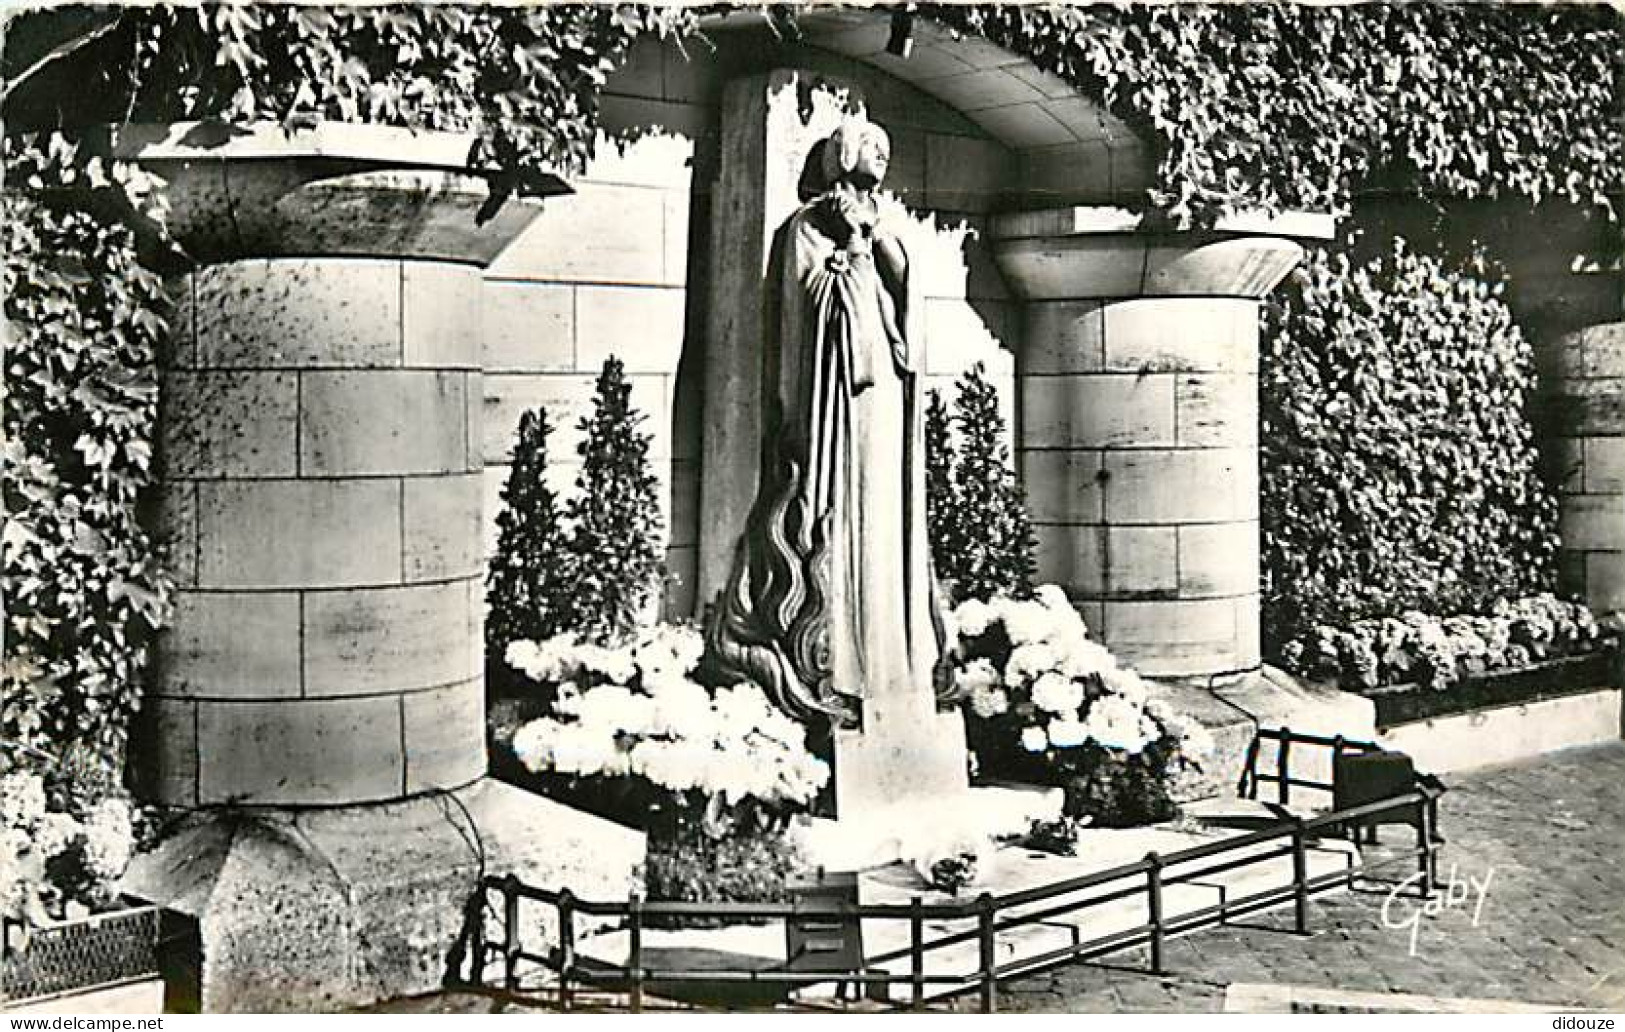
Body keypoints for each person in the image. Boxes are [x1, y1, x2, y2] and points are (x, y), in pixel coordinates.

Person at [706, 117, 945, 729]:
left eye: (888, 146)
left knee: (885, 516)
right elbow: (817, 316)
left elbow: (905, 303)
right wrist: (851, 243)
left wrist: (869, 240)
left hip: (886, 393)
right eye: (871, 144)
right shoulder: (807, 228)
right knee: (850, 512)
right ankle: (841, 658)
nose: (883, 153)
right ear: (840, 154)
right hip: (840, 403)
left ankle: (897, 652)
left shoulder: (878, 225)